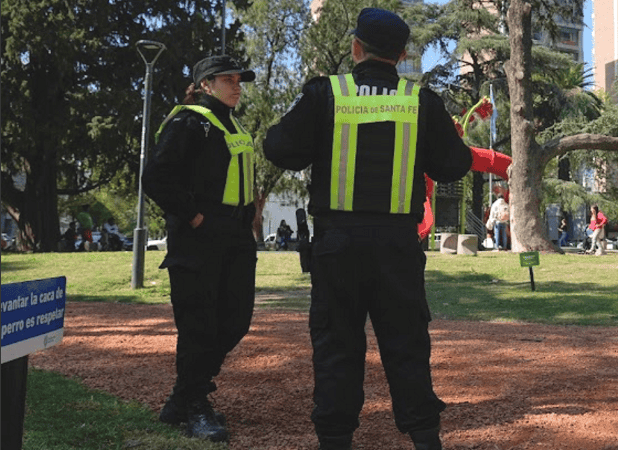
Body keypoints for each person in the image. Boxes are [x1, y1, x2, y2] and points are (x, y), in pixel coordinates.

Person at [262, 8, 473, 449]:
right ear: (401, 55)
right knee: (407, 345)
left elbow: (280, 149)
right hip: (397, 245)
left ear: (356, 48)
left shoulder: (326, 95)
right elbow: (454, 164)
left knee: (337, 345)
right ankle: (425, 439)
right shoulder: (420, 102)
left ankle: (336, 440)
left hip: (337, 244)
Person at [141, 54, 258, 442]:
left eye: (239, 79)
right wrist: (193, 217)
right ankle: (194, 406)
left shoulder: (233, 123)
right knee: (199, 326)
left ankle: (182, 397)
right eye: (228, 79)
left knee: (236, 320)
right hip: (199, 238)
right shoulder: (189, 121)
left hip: (236, 237)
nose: (237, 85)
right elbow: (156, 177)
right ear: (206, 85)